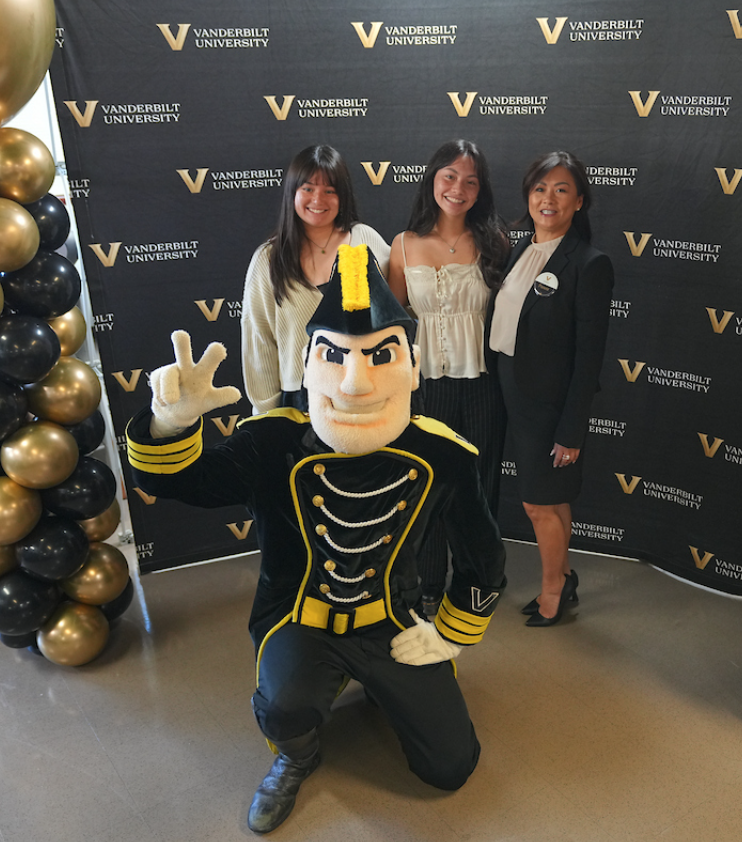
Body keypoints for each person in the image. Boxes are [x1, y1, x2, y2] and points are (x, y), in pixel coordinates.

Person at [127, 244, 506, 834]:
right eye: (336, 355)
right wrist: (169, 425)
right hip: (298, 618)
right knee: (283, 705)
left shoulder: (442, 454)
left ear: (410, 365)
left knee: (451, 768)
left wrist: (452, 632)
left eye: (379, 357)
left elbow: (484, 557)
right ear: (308, 363)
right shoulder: (272, 443)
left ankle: (392, 690)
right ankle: (297, 754)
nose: (355, 384)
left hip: (394, 620)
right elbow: (183, 483)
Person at [485, 151, 614, 627]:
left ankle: (552, 593)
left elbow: (588, 357)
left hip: (547, 403)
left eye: (562, 189)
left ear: (579, 201)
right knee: (554, 499)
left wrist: (572, 430)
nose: (549, 198)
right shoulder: (519, 249)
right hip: (507, 384)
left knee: (539, 503)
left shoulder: (589, 263)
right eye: (541, 188)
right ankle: (563, 577)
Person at [388, 139, 509, 617]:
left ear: (480, 191)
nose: (459, 188)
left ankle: (477, 582)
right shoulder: (402, 244)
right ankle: (429, 583)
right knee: (427, 484)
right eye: (450, 176)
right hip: (424, 387)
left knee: (478, 487)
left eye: (471, 181)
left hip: (482, 384)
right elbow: (395, 324)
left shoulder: (495, 241)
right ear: (433, 179)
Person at [242, 145, 391, 413]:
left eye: (329, 190)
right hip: (299, 398)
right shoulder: (269, 259)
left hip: (363, 389)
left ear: (342, 196)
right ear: (292, 192)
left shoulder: (366, 242)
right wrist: (266, 415)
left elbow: (397, 317)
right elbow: (259, 340)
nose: (318, 199)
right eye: (308, 188)